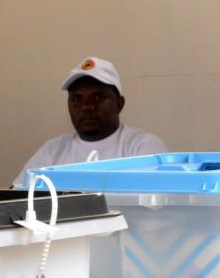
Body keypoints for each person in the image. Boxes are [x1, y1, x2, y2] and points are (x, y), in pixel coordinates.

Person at [12, 56, 167, 187]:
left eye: (98, 97)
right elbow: (14, 196)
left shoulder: (143, 147)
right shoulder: (52, 151)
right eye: (76, 99)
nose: (86, 107)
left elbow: (157, 209)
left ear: (119, 104)